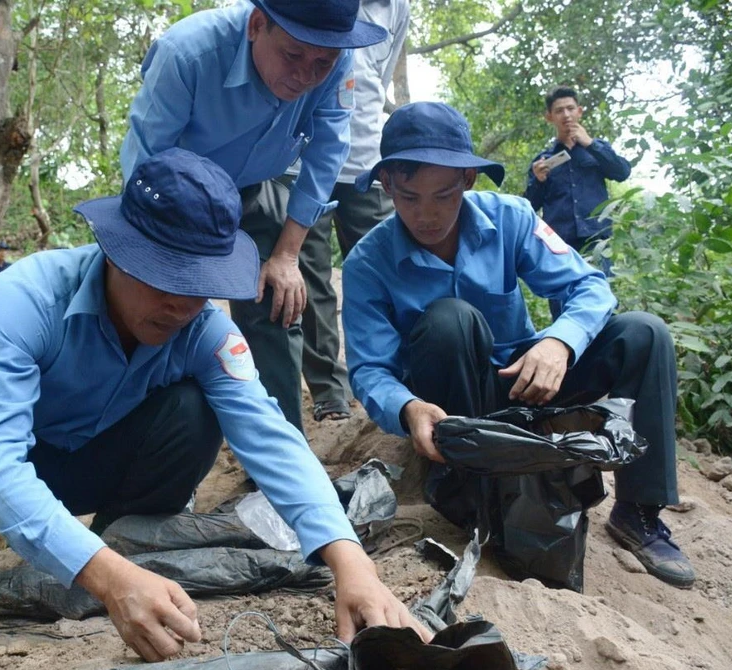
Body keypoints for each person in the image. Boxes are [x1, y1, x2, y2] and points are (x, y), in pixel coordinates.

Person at [0, 149, 432, 663]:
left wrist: (350, 561)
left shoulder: (206, 333)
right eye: (164, 277)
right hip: (29, 457)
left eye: (200, 284)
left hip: (109, 465)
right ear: (115, 252)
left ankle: (127, 557)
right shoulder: (26, 297)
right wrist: (108, 577)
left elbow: (273, 440)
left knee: (196, 408)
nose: (181, 303)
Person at [343, 102, 695, 589]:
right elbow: (369, 370)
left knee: (643, 332)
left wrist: (559, 343)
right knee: (450, 319)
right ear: (386, 187)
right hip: (452, 407)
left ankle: (638, 511)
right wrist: (408, 408)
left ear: (468, 180)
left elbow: (590, 288)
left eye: (443, 195)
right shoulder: (368, 262)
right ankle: (473, 493)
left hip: (530, 384)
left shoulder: (511, 218)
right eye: (409, 197)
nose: (426, 214)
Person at [120, 0, 388, 435]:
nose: (306, 75)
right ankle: (144, 431)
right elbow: (146, 163)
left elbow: (326, 155)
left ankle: (281, 446)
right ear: (257, 25)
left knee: (279, 297)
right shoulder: (186, 53)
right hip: (175, 193)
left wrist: (285, 255)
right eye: (293, 55)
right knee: (159, 302)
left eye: (322, 62)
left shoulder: (336, 58)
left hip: (258, 185)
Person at [287, 0, 410, 423]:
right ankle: (329, 393)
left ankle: (399, 379)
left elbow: (377, 72)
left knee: (390, 269)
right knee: (309, 276)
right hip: (304, 159)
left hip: (368, 162)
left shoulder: (395, 7)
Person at [524, 85, 631, 317]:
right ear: (549, 117)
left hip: (597, 240)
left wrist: (590, 143)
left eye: (571, 108)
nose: (566, 115)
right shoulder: (542, 161)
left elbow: (622, 172)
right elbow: (529, 208)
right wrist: (538, 180)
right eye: (559, 110)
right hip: (559, 245)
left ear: (580, 111)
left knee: (603, 304)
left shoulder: (596, 149)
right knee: (563, 308)